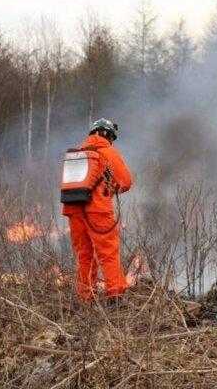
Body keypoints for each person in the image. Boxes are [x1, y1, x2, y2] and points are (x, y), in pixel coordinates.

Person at [62, 118, 133, 303]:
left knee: (83, 255)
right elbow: (126, 181)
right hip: (98, 211)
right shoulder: (108, 152)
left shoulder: (77, 153)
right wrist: (109, 189)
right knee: (108, 252)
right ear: (107, 134)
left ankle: (85, 297)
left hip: (73, 210)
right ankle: (116, 296)